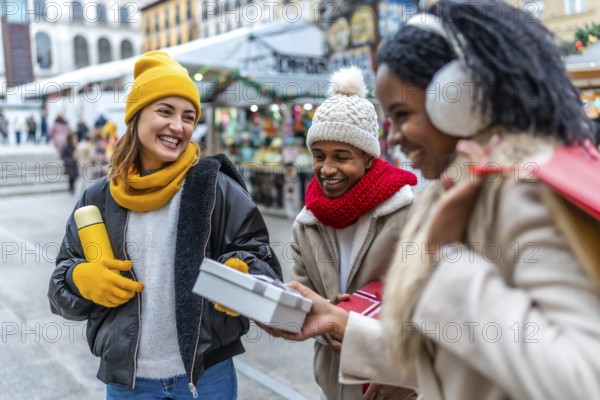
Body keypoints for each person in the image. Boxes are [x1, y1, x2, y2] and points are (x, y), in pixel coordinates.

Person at [262, 1, 600, 399]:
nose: (395, 138)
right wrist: (336, 322)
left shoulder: (522, 191)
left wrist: (442, 258)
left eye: (402, 114)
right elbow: (463, 364)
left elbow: (581, 380)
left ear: (460, 97)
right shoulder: (465, 189)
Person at [48, 51, 282, 399]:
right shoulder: (98, 198)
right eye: (165, 111)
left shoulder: (215, 186)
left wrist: (243, 273)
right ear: (136, 115)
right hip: (128, 381)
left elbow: (263, 264)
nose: (179, 126)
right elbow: (58, 289)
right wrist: (78, 279)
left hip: (205, 376)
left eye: (189, 116)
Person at [290, 66, 417, 400]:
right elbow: (304, 297)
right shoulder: (306, 224)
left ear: (368, 158)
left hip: (393, 381)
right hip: (334, 382)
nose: (327, 168)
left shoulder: (406, 214)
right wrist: (325, 318)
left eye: (341, 157)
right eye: (318, 156)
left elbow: (429, 304)